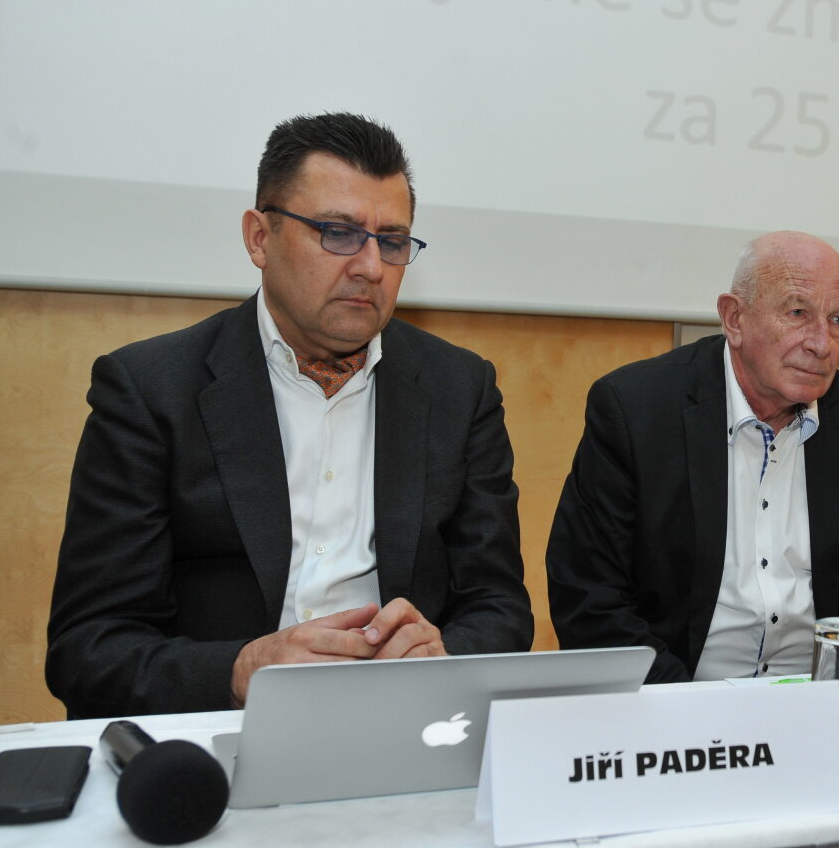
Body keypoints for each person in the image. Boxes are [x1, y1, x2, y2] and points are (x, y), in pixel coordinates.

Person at [46, 112, 534, 719]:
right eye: (338, 232)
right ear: (259, 238)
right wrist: (241, 671)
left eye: (391, 241)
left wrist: (441, 659)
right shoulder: (150, 390)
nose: (371, 267)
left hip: (406, 722)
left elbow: (499, 608)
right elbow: (89, 649)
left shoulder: (459, 388)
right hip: (219, 731)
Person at [546, 231, 839, 683]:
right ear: (734, 318)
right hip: (680, 695)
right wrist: (693, 708)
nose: (822, 343)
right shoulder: (636, 411)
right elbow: (589, 602)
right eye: (798, 313)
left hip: (819, 700)